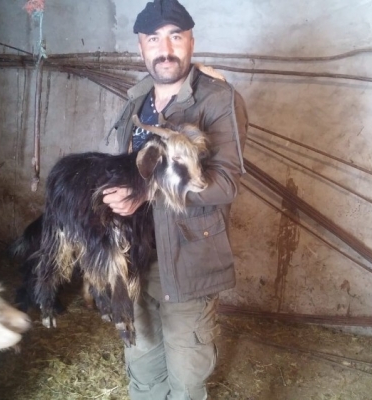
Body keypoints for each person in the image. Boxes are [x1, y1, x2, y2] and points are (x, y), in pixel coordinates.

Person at [102, 0, 248, 398]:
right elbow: (129, 170)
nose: (164, 49)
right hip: (133, 258)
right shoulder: (136, 102)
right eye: (153, 39)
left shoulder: (218, 100)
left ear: (191, 42)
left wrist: (147, 191)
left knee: (186, 382)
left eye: (175, 37)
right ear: (141, 46)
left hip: (187, 262)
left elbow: (225, 185)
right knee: (143, 370)